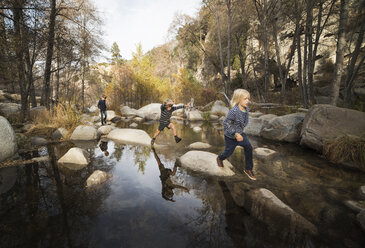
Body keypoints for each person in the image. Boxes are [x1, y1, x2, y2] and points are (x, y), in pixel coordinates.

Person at [216, 89, 256, 180]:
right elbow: (226, 123)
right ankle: (220, 158)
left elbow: (243, 122)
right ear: (238, 99)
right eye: (245, 99)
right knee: (229, 152)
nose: (247, 101)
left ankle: (248, 168)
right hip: (231, 135)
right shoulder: (233, 111)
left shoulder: (246, 109)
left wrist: (240, 133)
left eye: (248, 99)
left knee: (249, 147)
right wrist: (235, 134)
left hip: (240, 134)